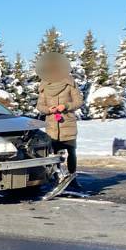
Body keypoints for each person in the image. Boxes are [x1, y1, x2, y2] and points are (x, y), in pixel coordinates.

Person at [36, 52, 84, 192]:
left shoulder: (70, 83)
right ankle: (56, 177)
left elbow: (79, 101)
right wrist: (48, 109)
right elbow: (39, 106)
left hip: (67, 124)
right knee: (54, 154)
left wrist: (66, 106)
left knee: (71, 152)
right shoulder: (44, 86)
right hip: (52, 126)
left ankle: (72, 178)